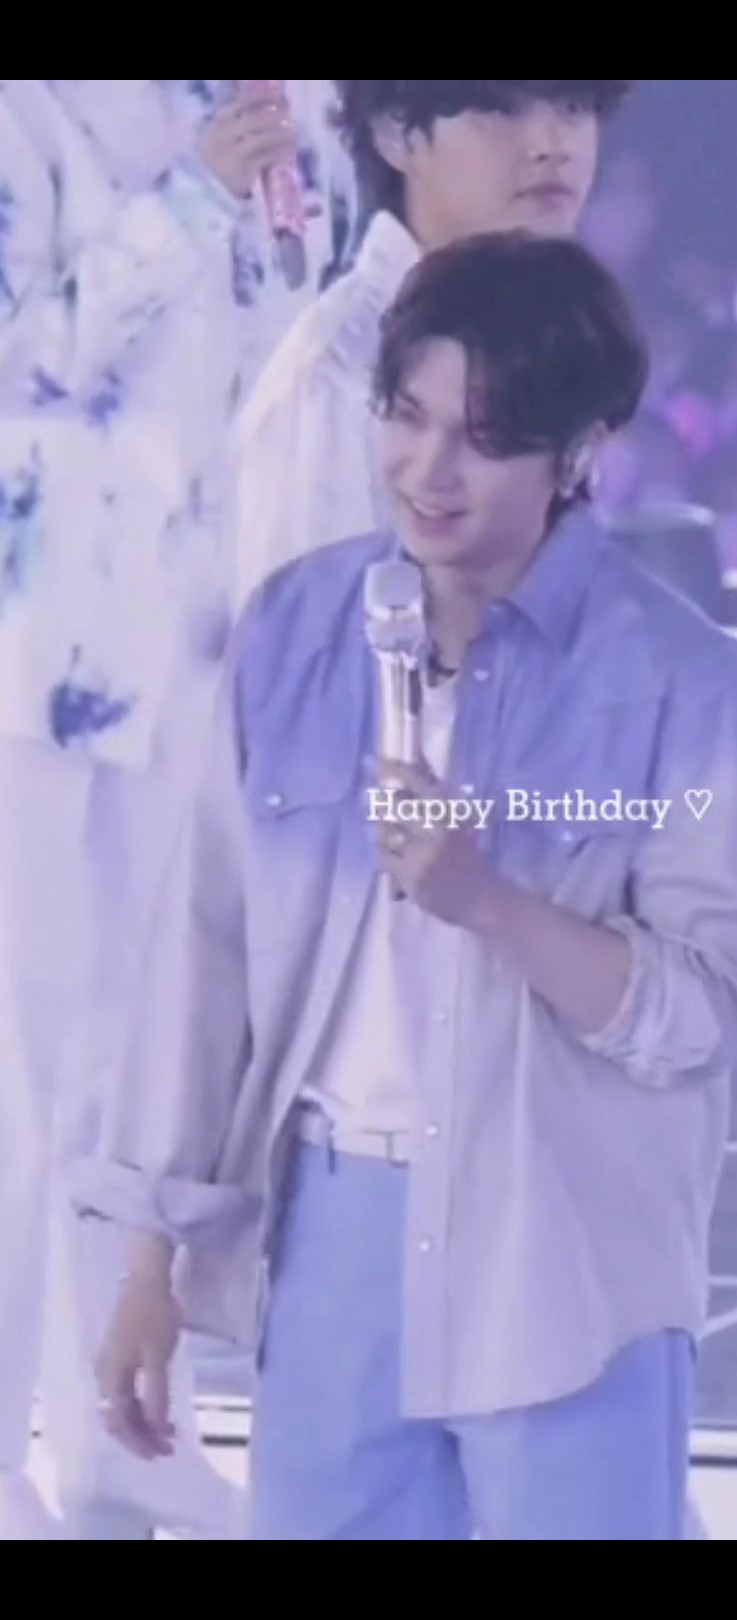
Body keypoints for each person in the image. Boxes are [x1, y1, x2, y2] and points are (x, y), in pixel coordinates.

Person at [80, 232, 737, 1541]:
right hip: (334, 1237)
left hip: (566, 1252)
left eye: (482, 438)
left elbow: (709, 1008)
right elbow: (203, 952)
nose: (427, 470)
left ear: (577, 451)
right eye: (406, 418)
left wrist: (492, 904)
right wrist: (148, 1262)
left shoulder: (683, 685)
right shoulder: (297, 634)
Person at [0, 78, 359, 1540]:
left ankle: (122, 1431)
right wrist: (190, 202)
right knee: (21, 1071)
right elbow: (33, 345)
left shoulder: (288, 100)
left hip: (213, 647)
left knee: (148, 1068)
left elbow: (307, 338)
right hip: (44, 655)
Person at [231, 79, 634, 607]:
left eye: (573, 107)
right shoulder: (335, 377)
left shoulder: (545, 342)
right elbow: (302, 646)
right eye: (497, 109)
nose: (550, 145)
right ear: (397, 133)